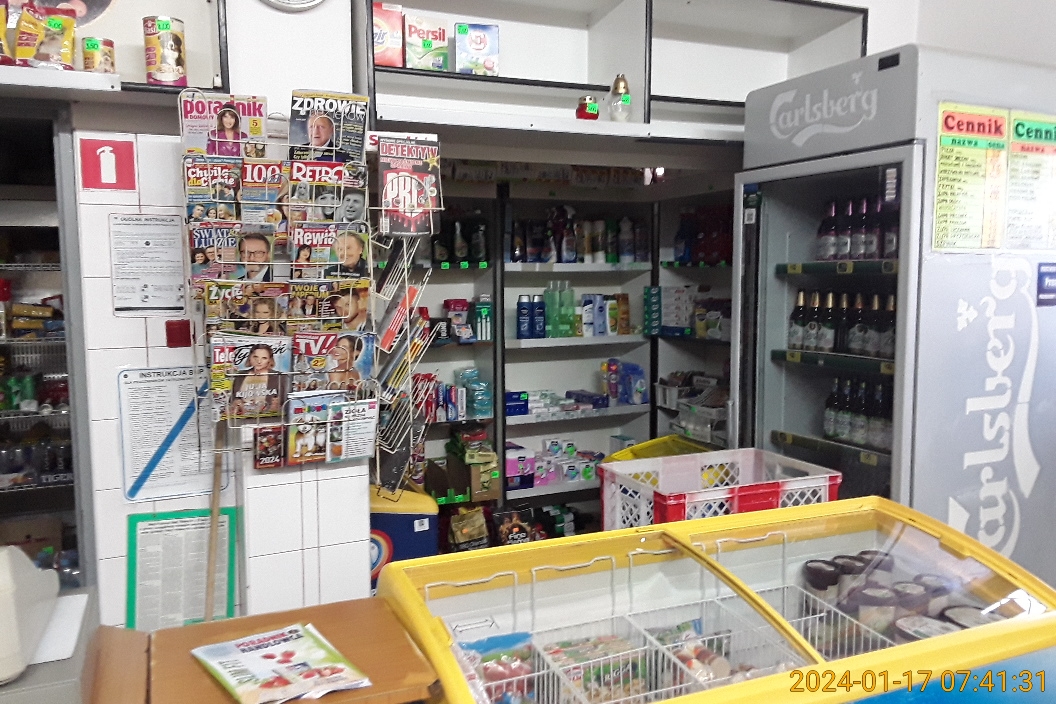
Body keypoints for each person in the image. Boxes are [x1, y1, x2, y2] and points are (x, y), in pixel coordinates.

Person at [231, 344, 282, 418]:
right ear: (250, 357)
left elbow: (285, 403)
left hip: (268, 419)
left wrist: (276, 406)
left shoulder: (278, 377)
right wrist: (236, 403)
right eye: (255, 357)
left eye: (264, 358)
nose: (259, 361)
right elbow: (232, 400)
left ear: (269, 360)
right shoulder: (240, 376)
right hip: (243, 419)